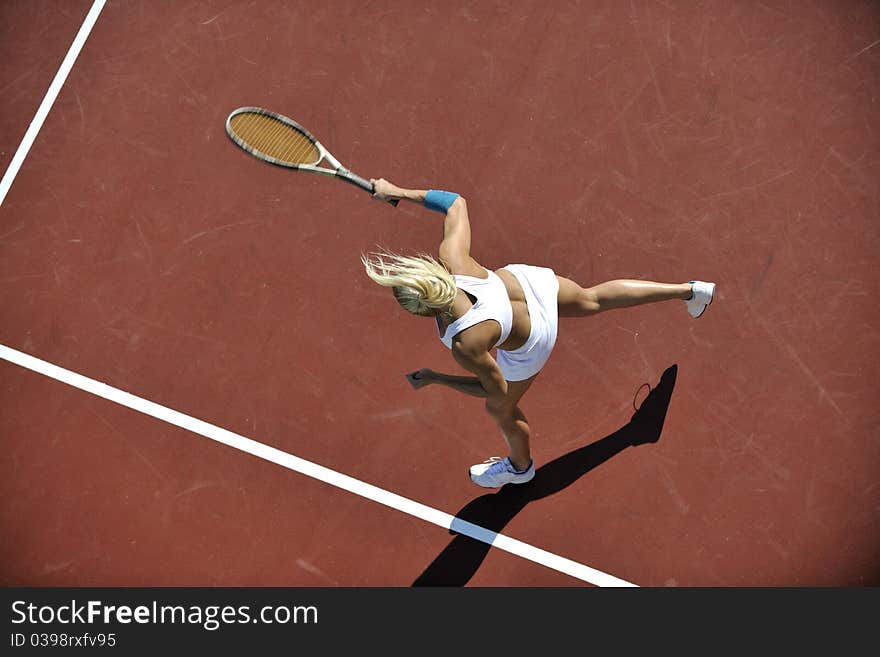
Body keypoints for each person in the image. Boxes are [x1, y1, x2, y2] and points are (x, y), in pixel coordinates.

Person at [362, 179, 715, 488]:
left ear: (423, 309)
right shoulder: (452, 259)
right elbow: (455, 202)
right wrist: (398, 192)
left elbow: (494, 388)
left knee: (500, 410)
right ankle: (691, 290)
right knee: (591, 298)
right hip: (528, 285)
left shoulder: (463, 343)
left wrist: (437, 378)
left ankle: (520, 468)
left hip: (531, 341)